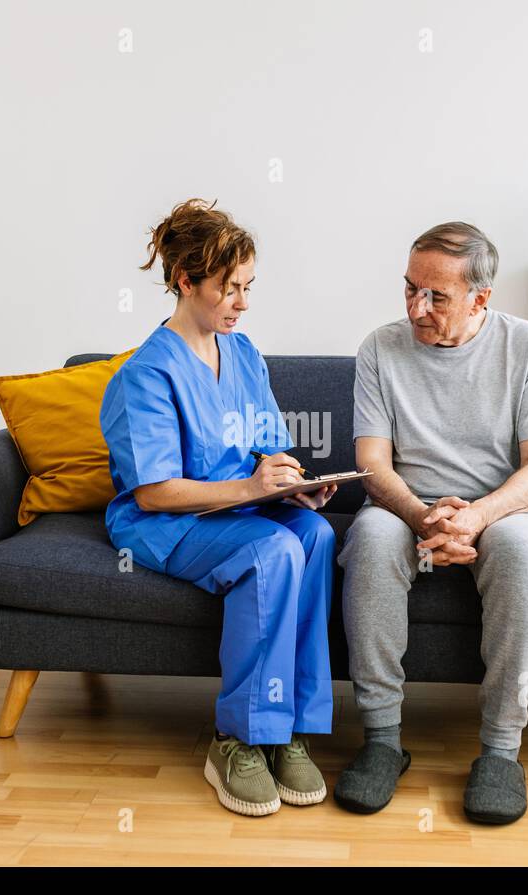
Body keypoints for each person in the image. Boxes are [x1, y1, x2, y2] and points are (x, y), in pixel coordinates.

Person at [100, 199, 339, 817]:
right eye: (230, 288)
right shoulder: (145, 375)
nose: (243, 302)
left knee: (314, 532)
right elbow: (155, 491)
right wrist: (253, 493)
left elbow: (267, 446)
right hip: (166, 523)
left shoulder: (244, 354)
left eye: (248, 287)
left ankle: (287, 727)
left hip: (238, 507)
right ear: (185, 281)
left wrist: (294, 482)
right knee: (274, 548)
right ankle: (237, 738)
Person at [334, 221, 528, 824]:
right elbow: (371, 464)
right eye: (410, 288)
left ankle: (500, 753)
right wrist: (421, 516)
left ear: (480, 298)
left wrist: (477, 517)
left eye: (436, 296)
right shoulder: (379, 348)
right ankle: (383, 741)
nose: (417, 306)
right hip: (404, 504)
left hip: (502, 508)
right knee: (369, 541)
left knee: (518, 552)